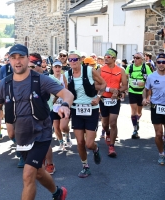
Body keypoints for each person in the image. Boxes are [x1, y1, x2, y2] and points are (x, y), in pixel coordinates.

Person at [0, 44, 74, 200]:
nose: (17, 61)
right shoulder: (5, 84)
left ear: (28, 59)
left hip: (41, 133)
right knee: (39, 172)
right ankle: (58, 193)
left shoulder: (41, 80)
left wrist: (65, 105)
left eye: (21, 57)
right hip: (22, 135)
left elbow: (67, 94)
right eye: (13, 57)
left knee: (28, 174)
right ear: (9, 60)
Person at [64, 50, 106, 178]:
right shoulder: (67, 74)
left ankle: (96, 148)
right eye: (70, 60)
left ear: (80, 60)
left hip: (91, 109)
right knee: (80, 142)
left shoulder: (89, 70)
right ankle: (85, 166)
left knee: (89, 144)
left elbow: (103, 84)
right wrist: (65, 105)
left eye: (75, 59)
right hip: (76, 109)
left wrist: (98, 97)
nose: (72, 62)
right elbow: (67, 93)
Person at [97, 48, 128, 157]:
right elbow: (95, 85)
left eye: (108, 56)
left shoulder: (121, 70)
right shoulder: (100, 70)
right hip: (104, 99)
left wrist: (118, 91)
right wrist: (108, 90)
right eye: (105, 56)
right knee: (105, 124)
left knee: (113, 122)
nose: (105, 58)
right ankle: (108, 133)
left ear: (114, 59)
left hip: (115, 100)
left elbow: (125, 85)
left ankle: (112, 146)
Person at [143, 53, 165, 165]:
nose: (161, 64)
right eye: (159, 62)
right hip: (156, 107)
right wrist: (145, 98)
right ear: (156, 63)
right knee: (158, 134)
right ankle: (161, 154)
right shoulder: (151, 76)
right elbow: (146, 89)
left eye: (163, 62)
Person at [125, 52, 152, 139]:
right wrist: (124, 87)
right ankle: (135, 129)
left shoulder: (145, 67)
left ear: (142, 59)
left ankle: (137, 121)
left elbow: (151, 79)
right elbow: (125, 77)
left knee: (139, 112)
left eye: (137, 58)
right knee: (133, 111)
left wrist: (144, 83)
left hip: (142, 92)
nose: (135, 59)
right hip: (132, 91)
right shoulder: (130, 67)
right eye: (134, 57)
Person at [49, 60, 71, 154]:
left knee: (63, 127)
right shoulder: (49, 78)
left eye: (59, 67)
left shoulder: (63, 77)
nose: (57, 69)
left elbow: (67, 91)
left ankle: (67, 134)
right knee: (56, 127)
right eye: (56, 67)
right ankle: (61, 143)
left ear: (61, 68)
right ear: (52, 68)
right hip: (53, 106)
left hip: (63, 105)